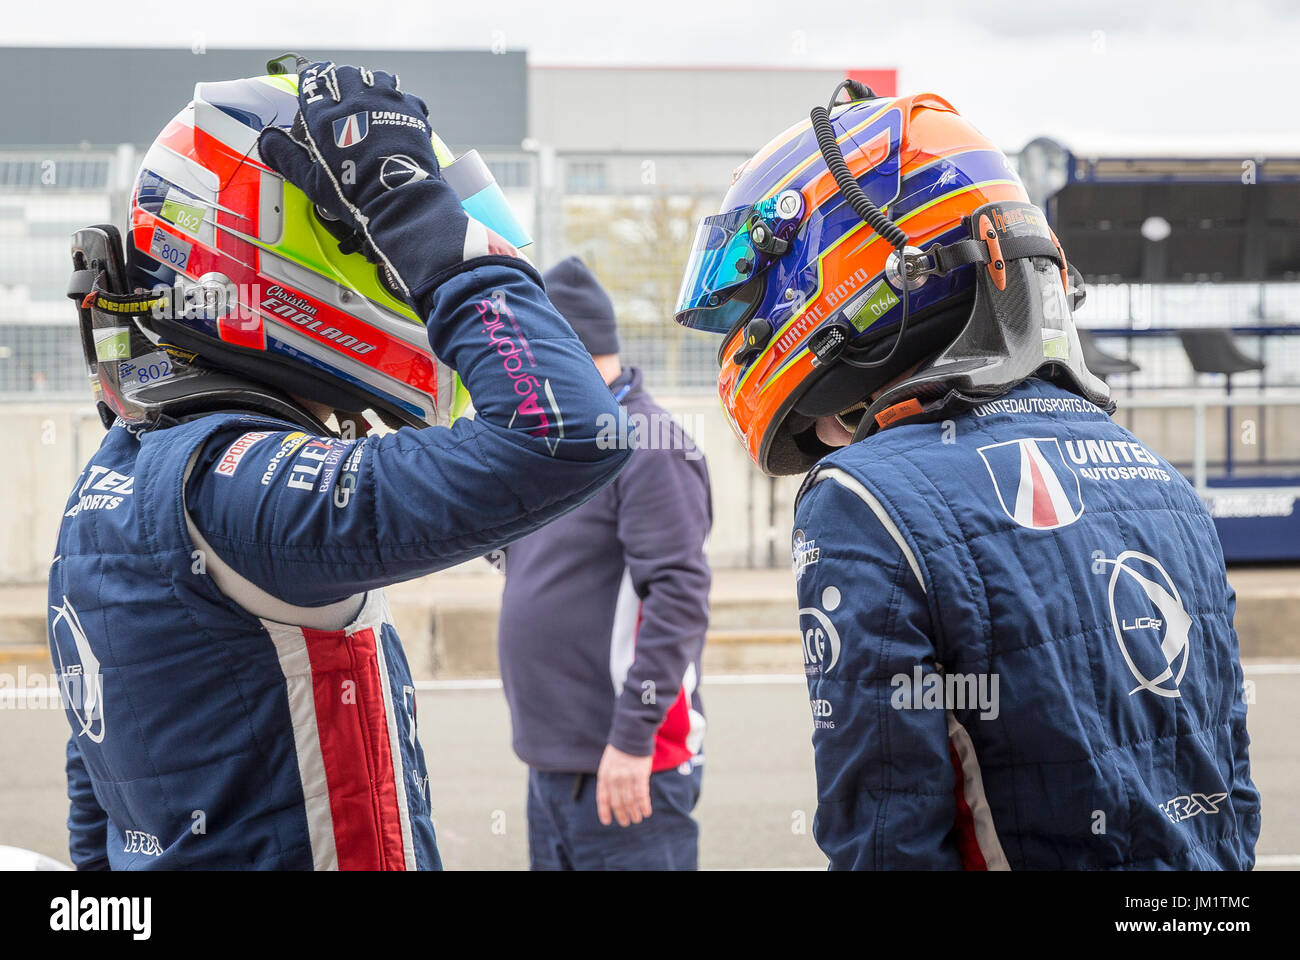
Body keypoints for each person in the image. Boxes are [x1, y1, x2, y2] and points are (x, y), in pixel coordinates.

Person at [53, 60, 630, 870]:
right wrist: (408, 204)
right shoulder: (232, 483)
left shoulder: (115, 474)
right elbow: (566, 434)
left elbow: (102, 809)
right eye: (383, 244)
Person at [673, 81, 1260, 869]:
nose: (748, 324)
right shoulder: (1164, 480)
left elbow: (883, 838)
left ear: (846, 264)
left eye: (752, 289)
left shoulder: (863, 498)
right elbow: (1231, 797)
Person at [495, 256, 711, 870]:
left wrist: (632, 737)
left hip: (627, 761)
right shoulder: (562, 442)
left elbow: (678, 595)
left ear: (566, 350)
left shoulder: (648, 446)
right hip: (555, 760)